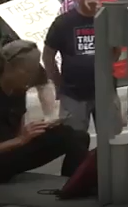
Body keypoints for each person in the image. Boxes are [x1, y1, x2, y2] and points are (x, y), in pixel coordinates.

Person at [0, 40, 90, 184]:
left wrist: (35, 130)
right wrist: (20, 140)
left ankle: (72, 184)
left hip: (12, 151)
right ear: (10, 69)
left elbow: (18, 130)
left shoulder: (18, 91)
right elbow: (18, 139)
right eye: (28, 71)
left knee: (75, 136)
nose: (31, 77)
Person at [43, 0, 108, 135]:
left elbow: (117, 50)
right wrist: (59, 84)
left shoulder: (108, 18)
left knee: (110, 140)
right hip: (73, 95)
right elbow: (48, 56)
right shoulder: (63, 22)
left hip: (105, 92)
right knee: (74, 141)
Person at [2, 0, 58, 120]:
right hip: (17, 44)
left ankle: (49, 115)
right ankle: (45, 115)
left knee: (40, 80)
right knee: (30, 82)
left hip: (32, 44)